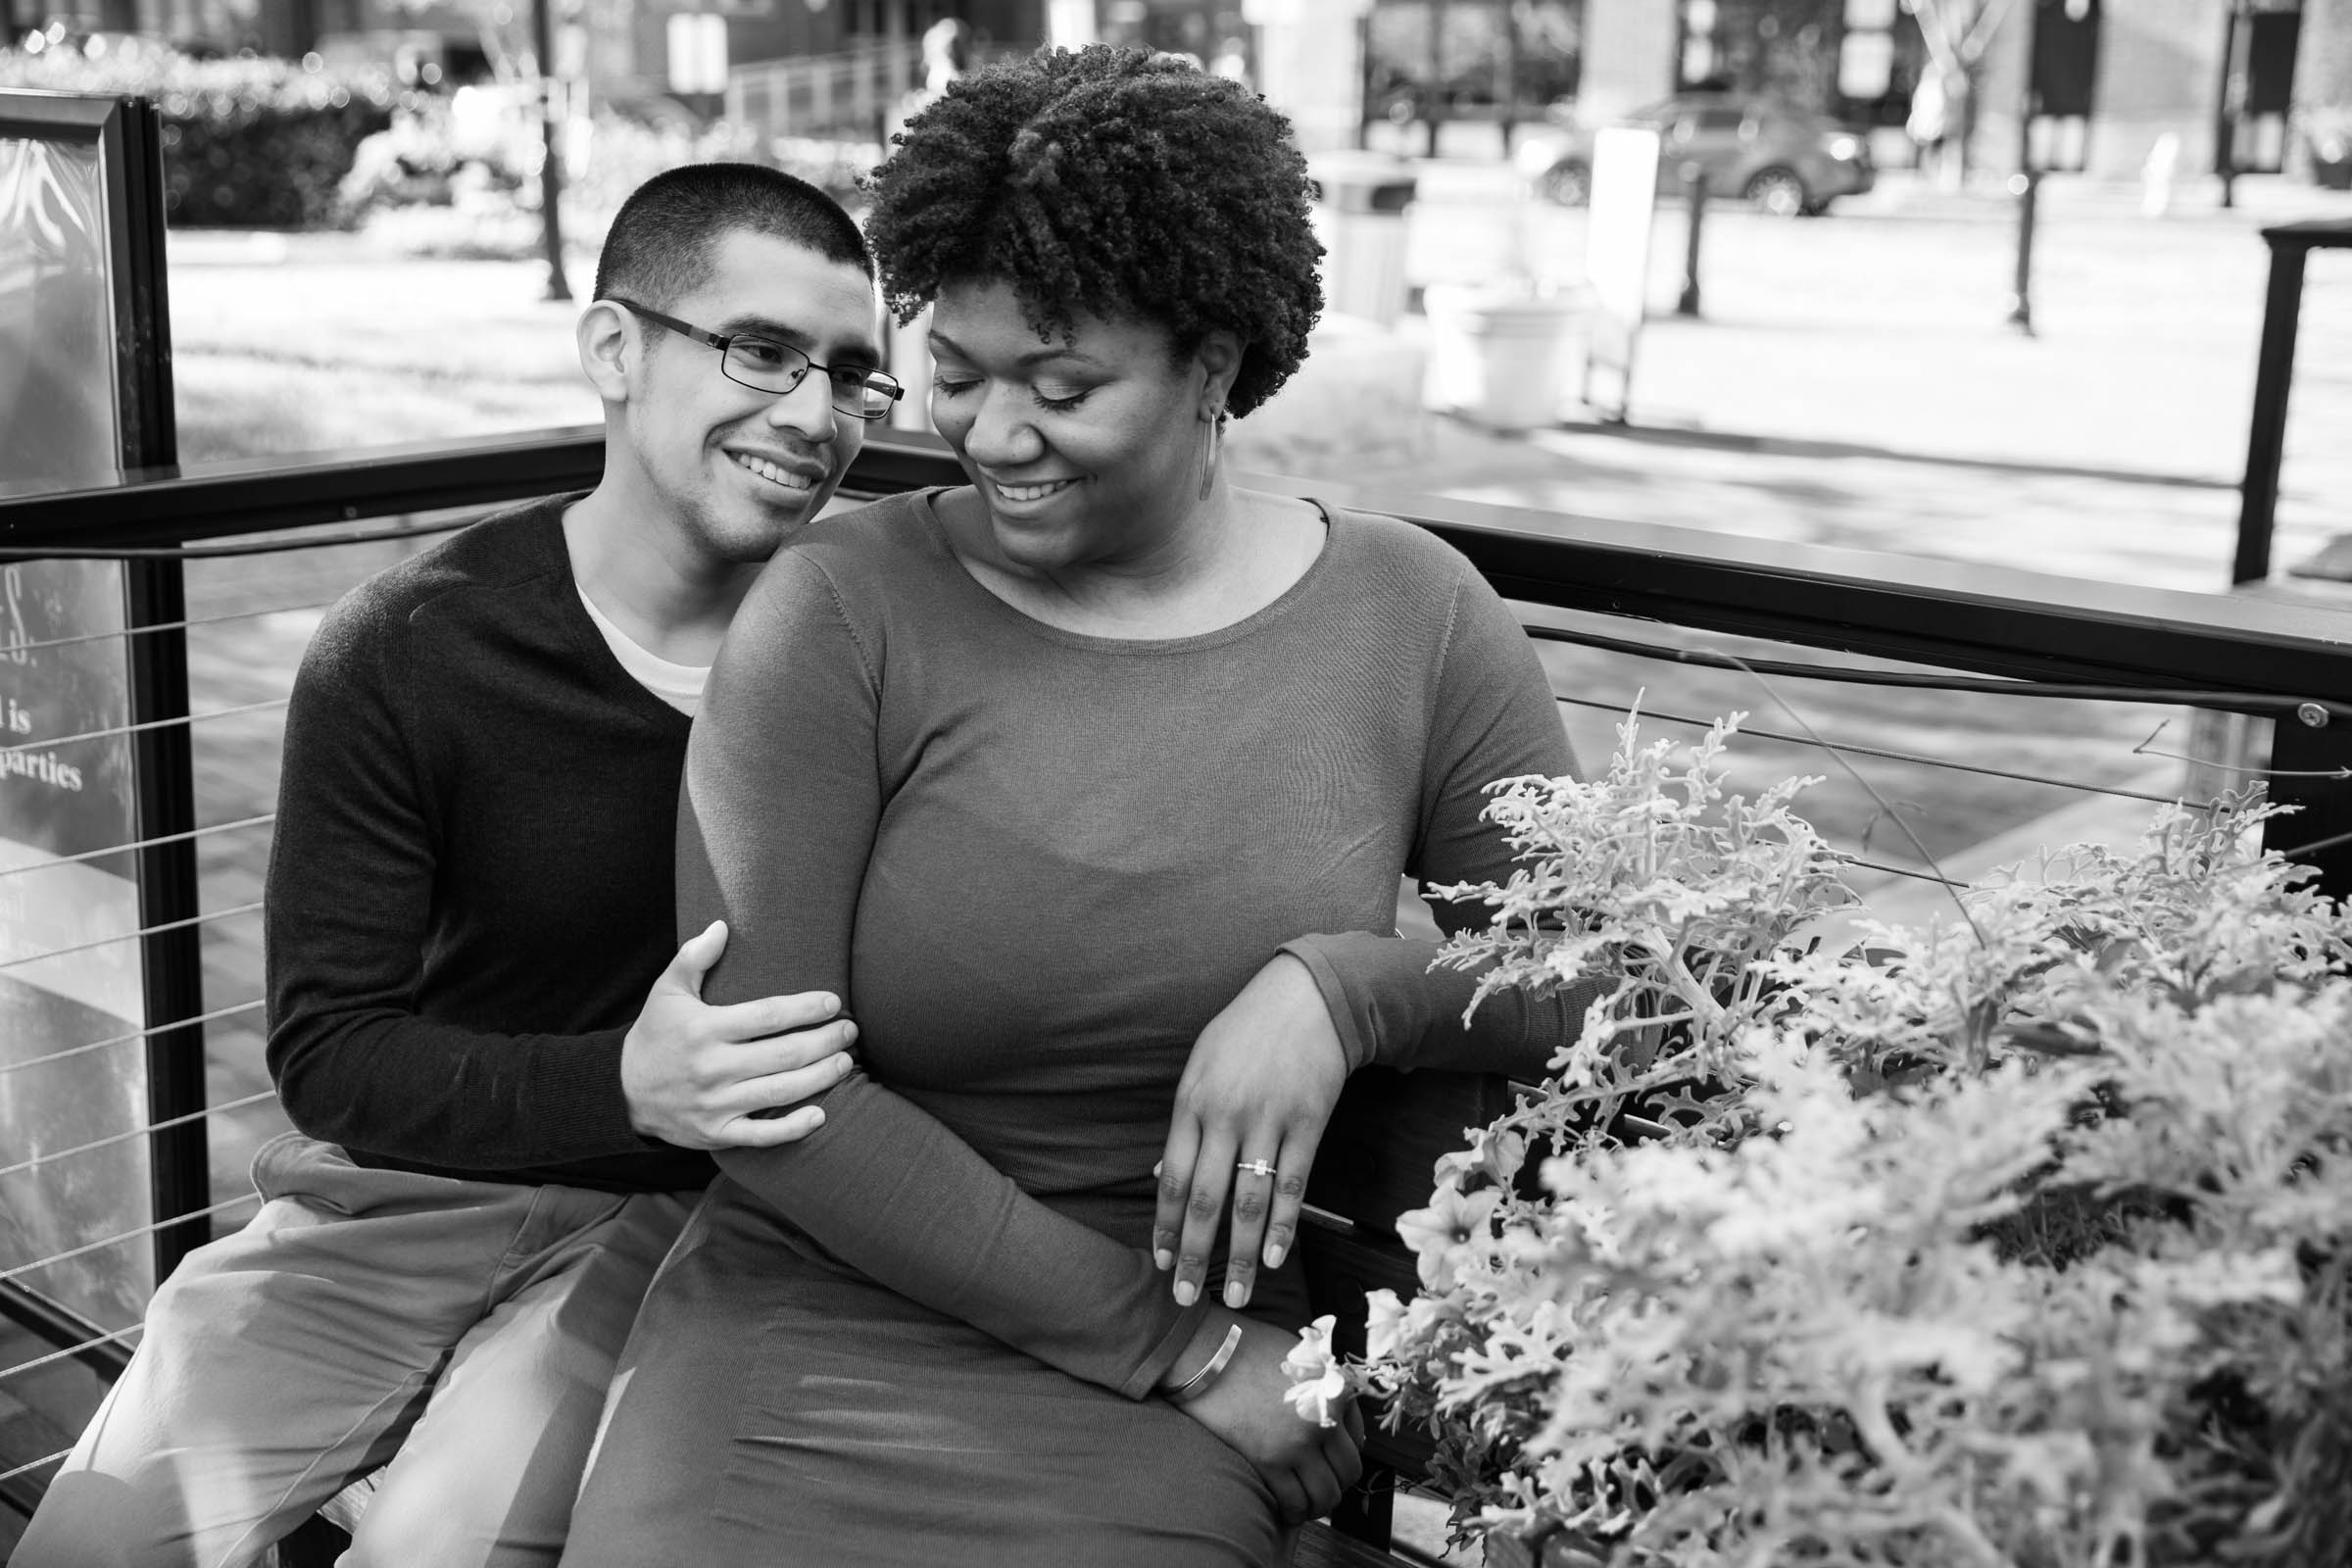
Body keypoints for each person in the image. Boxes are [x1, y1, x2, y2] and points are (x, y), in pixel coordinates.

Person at [560, 47, 1588, 1566]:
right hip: (829, 1311)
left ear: (1216, 366)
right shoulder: (838, 614)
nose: (990, 435)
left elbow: (1592, 981)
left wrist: (1345, 994)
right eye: (956, 375)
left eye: (1062, 387)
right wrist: (1171, 1350)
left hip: (1180, 1385)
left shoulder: (1410, 615)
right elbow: (765, 1092)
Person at [18, 163, 895, 1568]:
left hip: (679, 1231)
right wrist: (624, 1080)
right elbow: (329, 1050)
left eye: (853, 376)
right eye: (761, 350)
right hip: (396, 1199)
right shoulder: (413, 644)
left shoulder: (867, 651)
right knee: (95, 1543)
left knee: (439, 1547)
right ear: (613, 348)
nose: (813, 413)